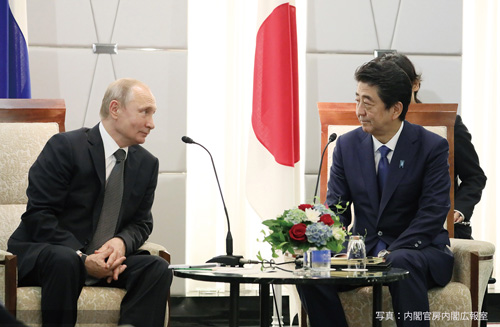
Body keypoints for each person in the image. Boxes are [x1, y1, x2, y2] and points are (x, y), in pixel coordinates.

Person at [297, 59, 454, 327]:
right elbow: (337, 209)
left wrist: (388, 253)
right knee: (310, 269)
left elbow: (432, 212)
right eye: (357, 99)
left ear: (395, 109)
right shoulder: (346, 146)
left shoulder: (431, 147)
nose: (359, 111)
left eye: (367, 103)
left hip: (417, 251)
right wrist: (320, 243)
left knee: (400, 260)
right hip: (362, 252)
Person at [7, 78, 172, 327]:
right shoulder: (66, 147)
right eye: (144, 112)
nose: (151, 124)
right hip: (50, 253)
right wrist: (83, 258)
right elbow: (39, 215)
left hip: (105, 260)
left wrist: (120, 242)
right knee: (65, 260)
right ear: (115, 109)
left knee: (156, 268)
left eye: (153, 114)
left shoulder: (147, 163)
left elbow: (141, 223)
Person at [378, 53, 487, 239]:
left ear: (415, 84)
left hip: (441, 225)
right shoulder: (374, 125)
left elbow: (474, 177)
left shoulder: (448, 123)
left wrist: (459, 210)